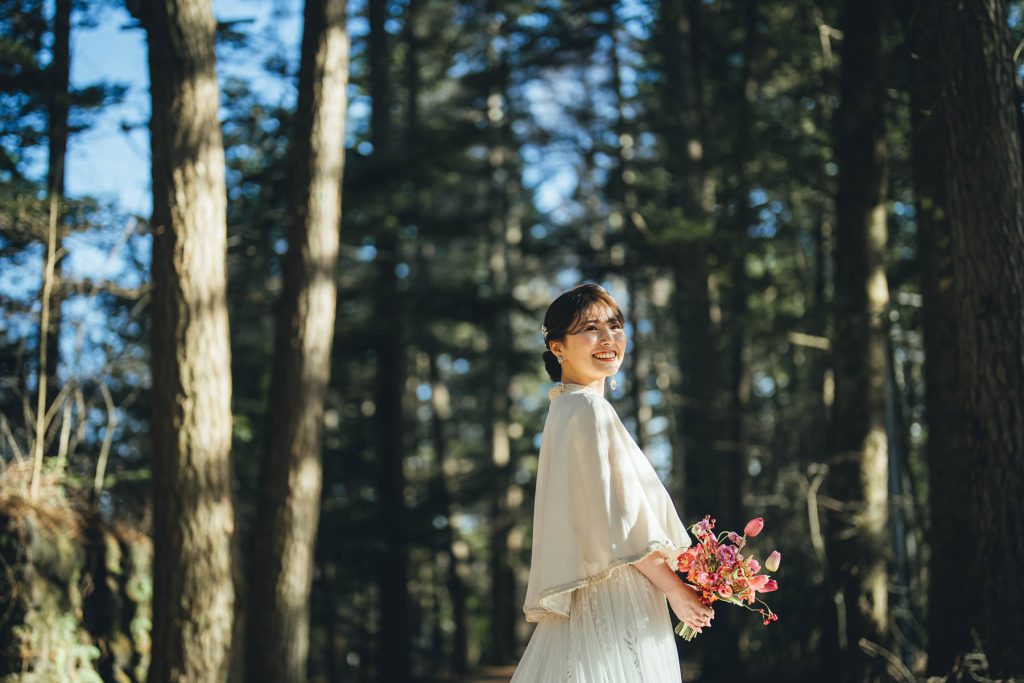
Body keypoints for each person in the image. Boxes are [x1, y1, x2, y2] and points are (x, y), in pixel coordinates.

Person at [510, 283, 714, 682]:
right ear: (557, 348)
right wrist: (675, 589)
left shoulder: (566, 407)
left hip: (596, 591)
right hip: (617, 596)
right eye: (590, 328)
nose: (608, 339)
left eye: (615, 326)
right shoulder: (585, 408)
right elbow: (619, 521)